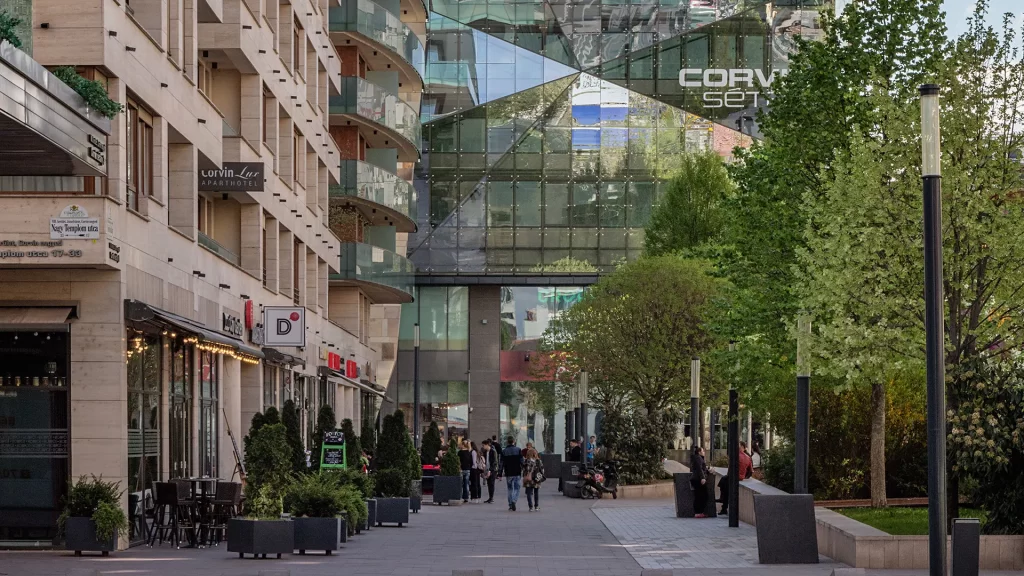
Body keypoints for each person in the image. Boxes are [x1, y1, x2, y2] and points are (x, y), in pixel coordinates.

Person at [500, 436, 524, 511]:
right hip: (517, 471)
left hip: (508, 472)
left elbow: (501, 463)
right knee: (517, 488)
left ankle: (510, 504)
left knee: (510, 488)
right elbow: (522, 461)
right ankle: (514, 500)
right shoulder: (518, 450)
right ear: (514, 441)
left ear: (507, 441)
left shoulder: (504, 451)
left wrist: (500, 473)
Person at [522, 447, 545, 511]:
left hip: (528, 479)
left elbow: (524, 470)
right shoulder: (538, 461)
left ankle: (530, 507)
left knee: (529, 493)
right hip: (536, 478)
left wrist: (525, 475)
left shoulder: (526, 461)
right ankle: (536, 506)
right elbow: (542, 470)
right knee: (536, 492)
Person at [690, 446, 710, 518]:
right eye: (703, 451)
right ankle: (698, 512)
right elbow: (699, 469)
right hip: (698, 480)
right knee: (701, 495)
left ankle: (699, 512)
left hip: (696, 479)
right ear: (699, 452)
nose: (704, 452)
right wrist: (703, 478)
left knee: (700, 495)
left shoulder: (698, 458)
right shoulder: (698, 458)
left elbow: (702, 468)